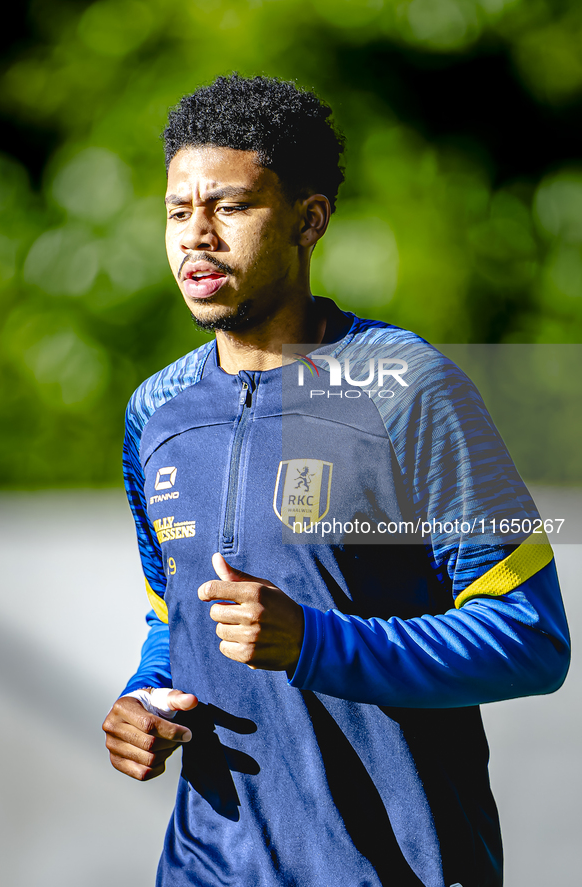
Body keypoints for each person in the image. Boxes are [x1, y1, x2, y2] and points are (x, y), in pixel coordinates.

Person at [102, 74, 570, 887]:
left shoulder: (406, 387)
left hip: (392, 867)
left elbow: (529, 638)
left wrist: (319, 641)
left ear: (308, 219)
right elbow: (171, 617)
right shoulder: (157, 413)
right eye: (178, 212)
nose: (195, 236)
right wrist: (145, 700)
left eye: (230, 207)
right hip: (206, 866)